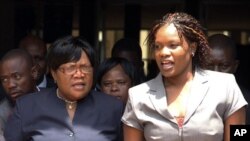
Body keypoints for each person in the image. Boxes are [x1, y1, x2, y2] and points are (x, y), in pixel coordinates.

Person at [121, 12, 247, 141]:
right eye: (158, 47)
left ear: (192, 48)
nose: (163, 53)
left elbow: (240, 135)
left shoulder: (226, 86)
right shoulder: (138, 96)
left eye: (173, 45)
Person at [4, 36, 124, 141]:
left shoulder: (113, 108)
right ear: (54, 73)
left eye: (85, 67)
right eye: (70, 68)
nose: (79, 74)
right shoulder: (27, 107)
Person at [205, 33, 250, 124]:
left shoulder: (246, 101)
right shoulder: (188, 96)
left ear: (235, 66)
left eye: (224, 66)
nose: (216, 72)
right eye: (209, 66)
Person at [0, 49, 39, 140]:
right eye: (4, 79)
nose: (10, 85)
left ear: (34, 72)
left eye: (16, 76)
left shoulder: (53, 99)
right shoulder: (2, 114)